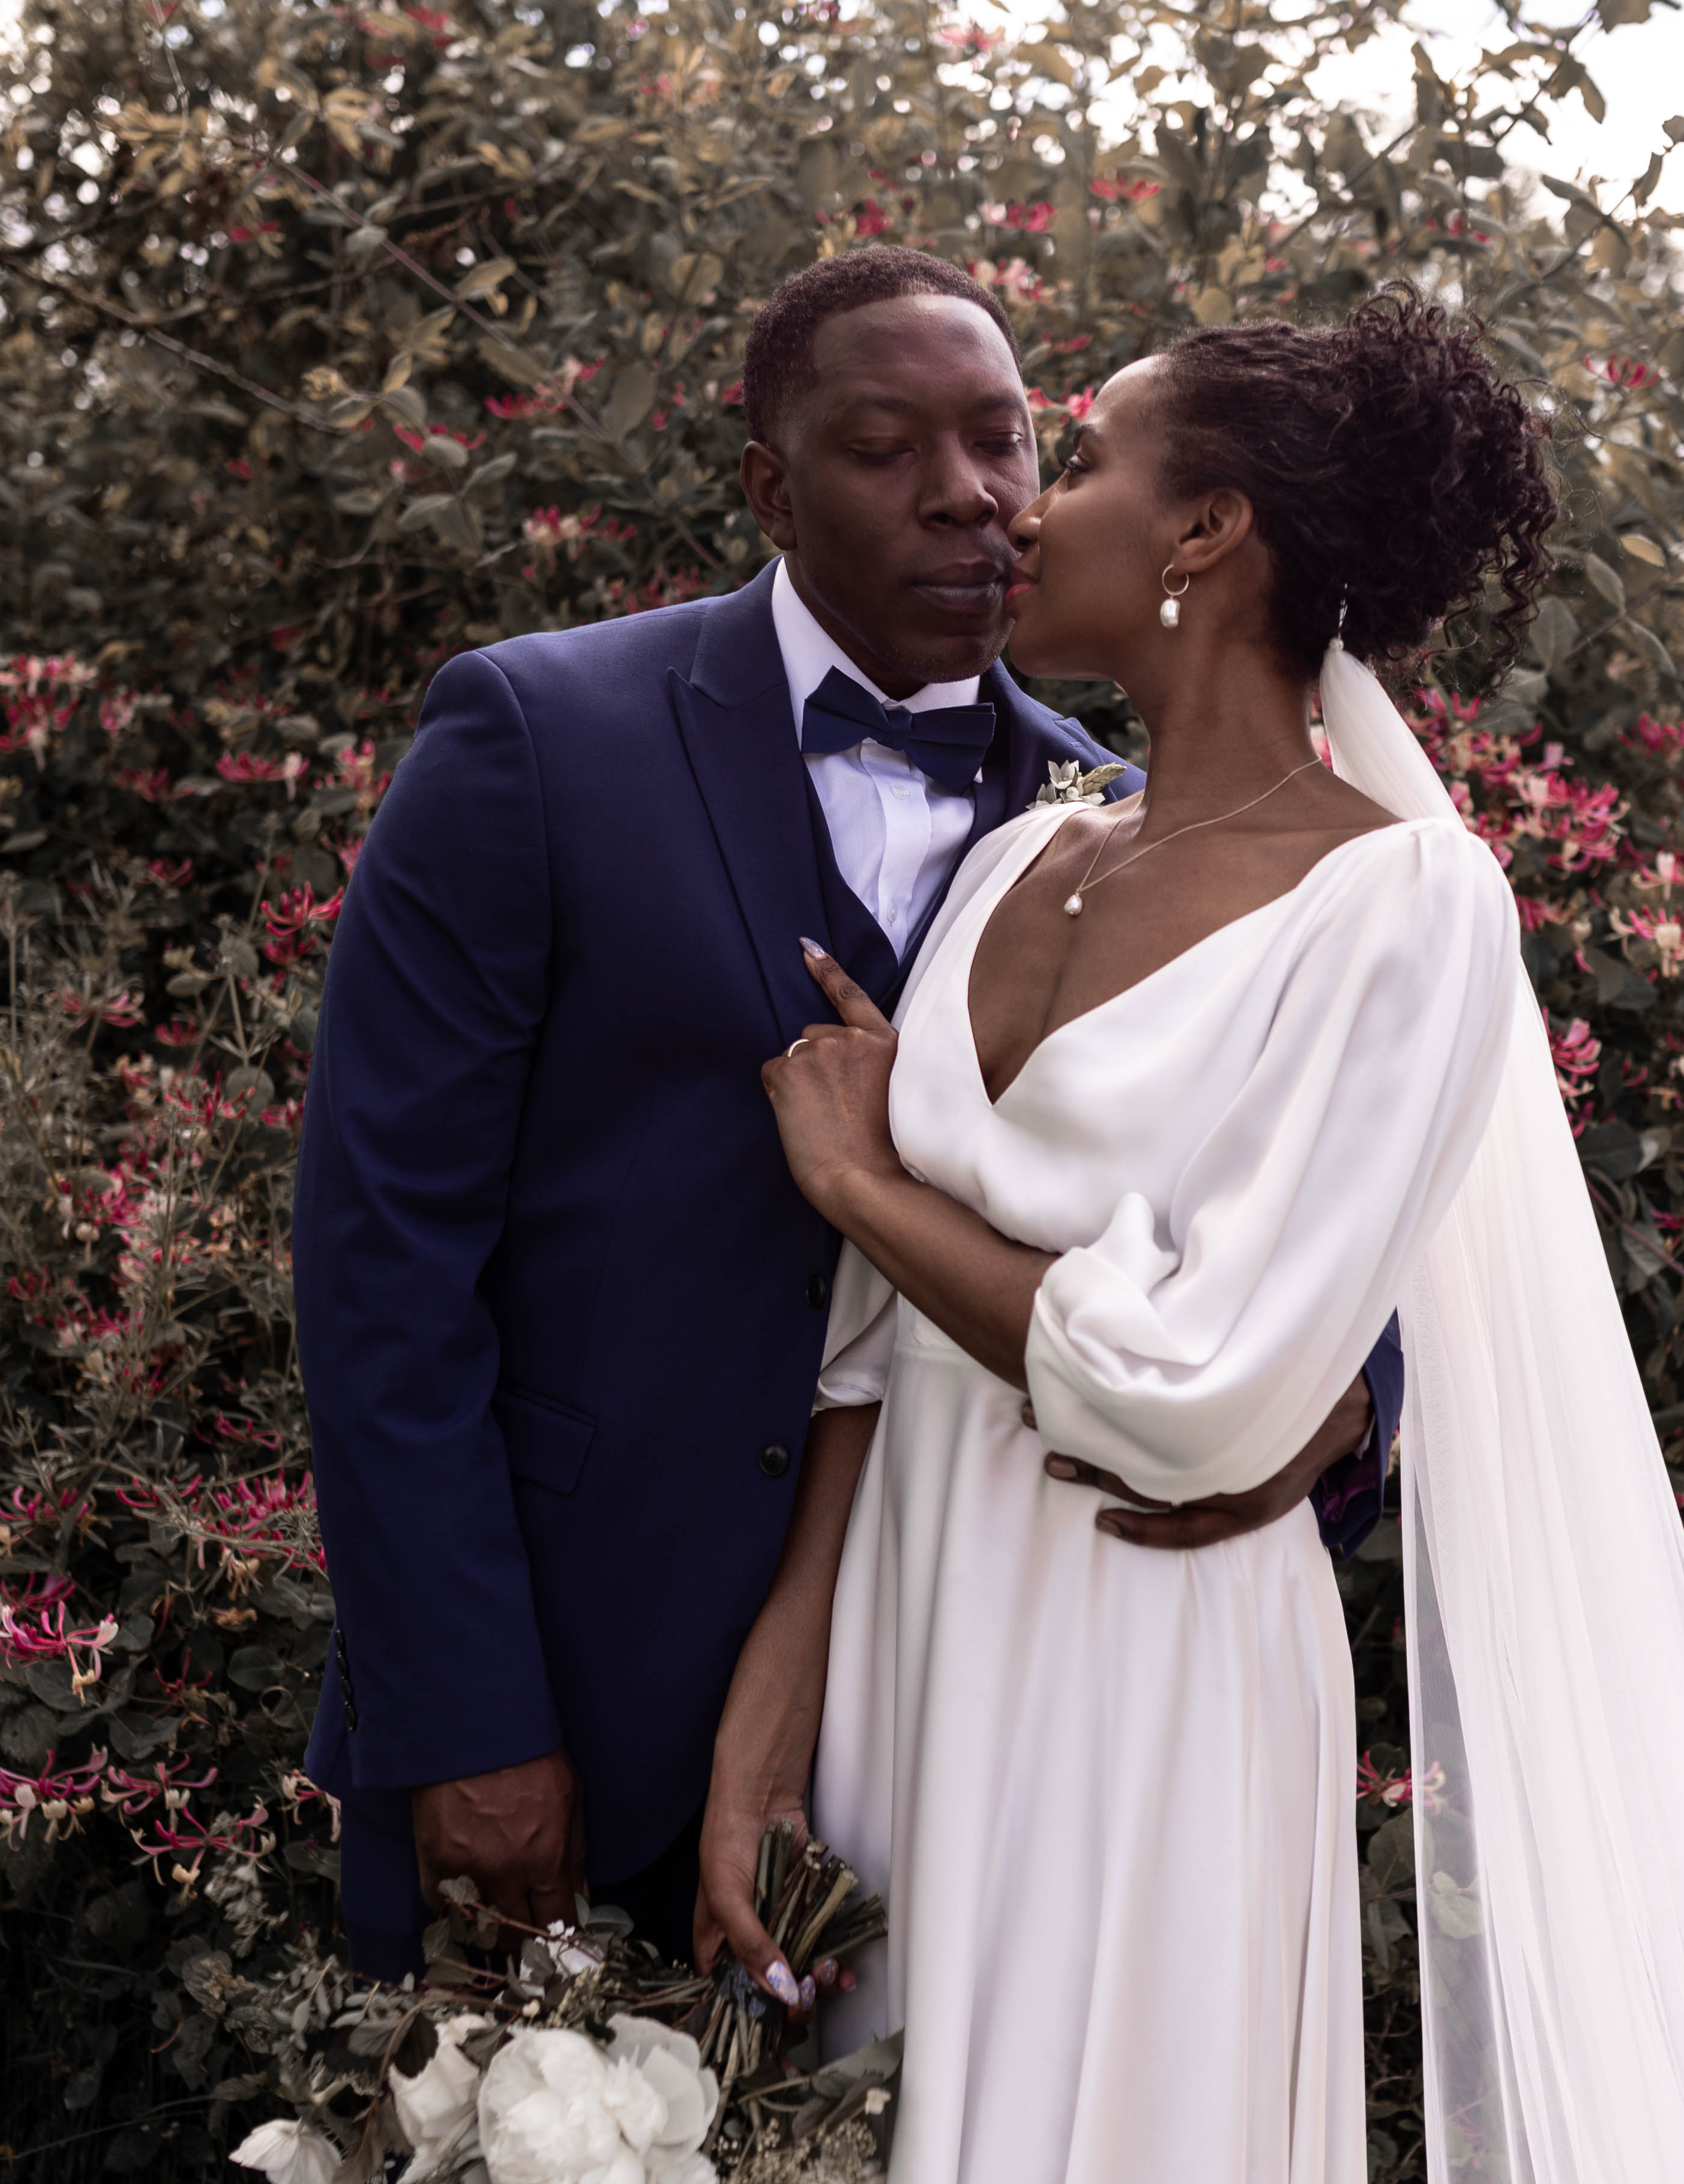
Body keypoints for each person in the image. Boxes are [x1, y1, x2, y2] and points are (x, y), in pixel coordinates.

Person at [715, 292, 1684, 2182]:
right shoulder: (1024, 851)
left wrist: (860, 1179)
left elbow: (1195, 1401)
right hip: (900, 1635)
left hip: (1141, 1645)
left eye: (1079, 460)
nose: (1024, 506)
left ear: (1207, 531)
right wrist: (770, 1732)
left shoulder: (1404, 906)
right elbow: (868, 1349)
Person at [290, 247, 1395, 1985]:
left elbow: (1324, 1178)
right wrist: (467, 1715)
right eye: (889, 447)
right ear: (769, 487)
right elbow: (380, 1264)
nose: (970, 496)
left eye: (1009, 442)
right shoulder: (538, 737)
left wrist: (1340, 1406)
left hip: (979, 1713)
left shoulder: (1115, 824)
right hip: (573, 1694)